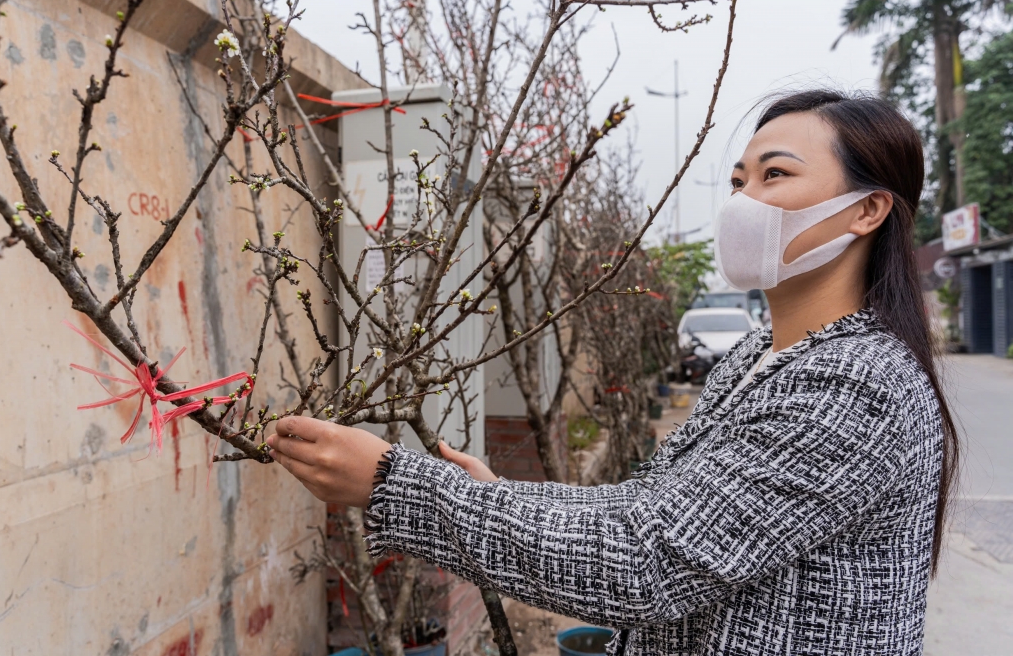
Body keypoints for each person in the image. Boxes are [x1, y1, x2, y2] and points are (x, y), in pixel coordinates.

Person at [266, 90, 958, 656]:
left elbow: (647, 556)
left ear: (868, 209)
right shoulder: (758, 355)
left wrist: (400, 485)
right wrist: (501, 495)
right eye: (739, 181)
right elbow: (653, 506)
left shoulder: (858, 384)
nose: (743, 202)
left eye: (775, 175)